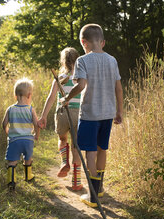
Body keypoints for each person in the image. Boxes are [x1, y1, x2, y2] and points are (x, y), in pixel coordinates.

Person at [60, 24, 124, 207]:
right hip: (108, 113)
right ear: (102, 42)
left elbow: (80, 86)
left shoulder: (83, 60)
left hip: (90, 114)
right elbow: (118, 88)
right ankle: (100, 188)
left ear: (83, 42)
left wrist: (66, 97)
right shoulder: (112, 60)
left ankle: (93, 195)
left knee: (90, 152)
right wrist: (120, 111)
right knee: (102, 149)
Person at [38, 47, 83, 191]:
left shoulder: (60, 79)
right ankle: (76, 182)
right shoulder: (81, 78)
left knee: (63, 139)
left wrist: (43, 116)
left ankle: (64, 161)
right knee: (76, 147)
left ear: (63, 62)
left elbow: (51, 98)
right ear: (78, 60)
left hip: (62, 113)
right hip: (78, 114)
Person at [2, 78, 40, 191]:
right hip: (28, 140)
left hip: (14, 140)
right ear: (29, 95)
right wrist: (36, 134)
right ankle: (28, 176)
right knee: (28, 158)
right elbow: (36, 124)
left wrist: (7, 132)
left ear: (15, 96)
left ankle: (11, 181)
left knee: (12, 161)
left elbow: (4, 123)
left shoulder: (10, 109)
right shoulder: (30, 109)